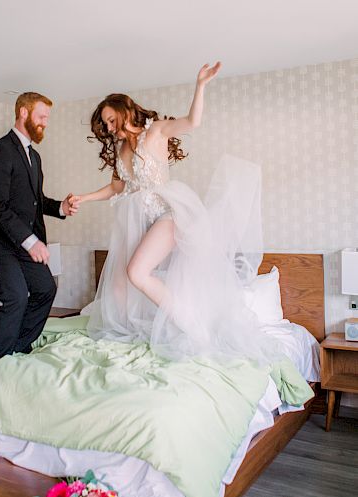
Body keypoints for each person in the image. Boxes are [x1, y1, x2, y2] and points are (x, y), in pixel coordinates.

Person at [74, 63, 274, 363]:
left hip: (167, 215)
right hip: (138, 220)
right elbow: (118, 187)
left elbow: (192, 122)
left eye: (111, 119)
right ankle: (136, 328)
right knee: (118, 285)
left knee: (136, 272)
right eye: (106, 124)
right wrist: (84, 198)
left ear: (123, 110)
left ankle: (195, 328)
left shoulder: (155, 131)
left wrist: (200, 85)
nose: (110, 127)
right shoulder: (121, 150)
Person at [0, 92, 79, 359]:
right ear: (23, 113)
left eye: (47, 117)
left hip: (22, 240)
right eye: (41, 116)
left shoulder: (34, 157)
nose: (45, 122)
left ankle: (18, 347)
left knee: (46, 289)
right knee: (15, 298)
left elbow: (36, 201)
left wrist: (61, 207)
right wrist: (31, 241)